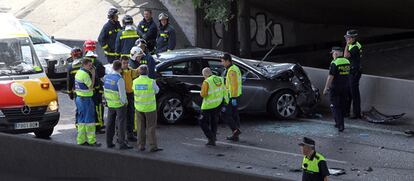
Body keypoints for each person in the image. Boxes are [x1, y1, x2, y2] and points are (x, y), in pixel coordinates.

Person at [103, 60, 133, 149]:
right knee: (121, 124)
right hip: (119, 105)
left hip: (110, 103)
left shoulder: (107, 77)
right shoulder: (119, 79)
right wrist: (125, 102)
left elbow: (105, 90)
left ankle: (109, 142)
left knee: (110, 123)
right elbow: (122, 94)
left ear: (113, 67)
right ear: (120, 69)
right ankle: (122, 143)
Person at [133, 65, 162, 152]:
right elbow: (157, 91)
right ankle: (153, 146)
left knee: (140, 127)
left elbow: (133, 90)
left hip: (138, 108)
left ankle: (141, 145)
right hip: (150, 108)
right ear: (147, 72)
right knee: (151, 127)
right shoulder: (151, 81)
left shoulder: (135, 81)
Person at [74, 58, 101, 147]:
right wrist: (93, 75)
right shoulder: (85, 75)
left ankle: (81, 140)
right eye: (89, 65)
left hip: (79, 99)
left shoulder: (78, 72)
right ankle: (91, 141)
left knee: (81, 120)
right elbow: (91, 86)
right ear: (84, 65)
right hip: (86, 100)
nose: (91, 67)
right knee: (89, 121)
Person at [323, 47, 350, 132]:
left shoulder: (334, 63)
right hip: (345, 87)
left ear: (336, 53)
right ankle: (339, 123)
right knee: (342, 106)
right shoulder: (347, 61)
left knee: (335, 106)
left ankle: (340, 124)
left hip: (335, 88)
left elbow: (331, 76)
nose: (332, 55)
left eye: (333, 53)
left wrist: (326, 88)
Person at [200, 67, 227, 146]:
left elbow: (203, 94)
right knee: (214, 121)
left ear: (205, 74)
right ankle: (213, 139)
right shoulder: (220, 79)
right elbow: (224, 90)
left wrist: (201, 93)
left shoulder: (206, 81)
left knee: (202, 122)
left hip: (208, 105)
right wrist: (225, 101)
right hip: (218, 103)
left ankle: (211, 137)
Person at [84, 40, 106, 134]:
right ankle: (99, 125)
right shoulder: (97, 62)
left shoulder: (83, 62)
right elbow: (102, 74)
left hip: (85, 90)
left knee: (88, 107)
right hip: (97, 90)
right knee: (98, 107)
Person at [221, 53, 242, 141]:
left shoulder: (231, 70)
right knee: (234, 115)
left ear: (227, 61)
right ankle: (235, 134)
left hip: (232, 96)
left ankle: (235, 130)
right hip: (236, 95)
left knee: (225, 114)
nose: (222, 63)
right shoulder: (234, 68)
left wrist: (233, 98)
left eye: (222, 61)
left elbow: (234, 85)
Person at [344, 29, 363, 119]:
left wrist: (347, 45)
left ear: (353, 38)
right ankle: (346, 111)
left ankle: (356, 113)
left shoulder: (355, 46)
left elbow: (346, 55)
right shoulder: (352, 45)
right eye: (346, 38)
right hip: (351, 71)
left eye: (348, 38)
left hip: (355, 71)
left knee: (354, 92)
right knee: (348, 91)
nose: (347, 39)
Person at [120, 56, 139, 142]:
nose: (126, 64)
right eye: (124, 63)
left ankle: (130, 135)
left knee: (131, 115)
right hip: (122, 95)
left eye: (127, 63)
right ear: (120, 63)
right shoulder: (119, 72)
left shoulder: (130, 70)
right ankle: (121, 136)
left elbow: (138, 72)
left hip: (130, 95)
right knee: (122, 117)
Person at [67, 47, 83, 124]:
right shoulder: (85, 64)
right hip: (87, 91)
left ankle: (78, 123)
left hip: (77, 92)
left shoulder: (71, 67)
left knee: (79, 108)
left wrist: (69, 92)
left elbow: (69, 81)